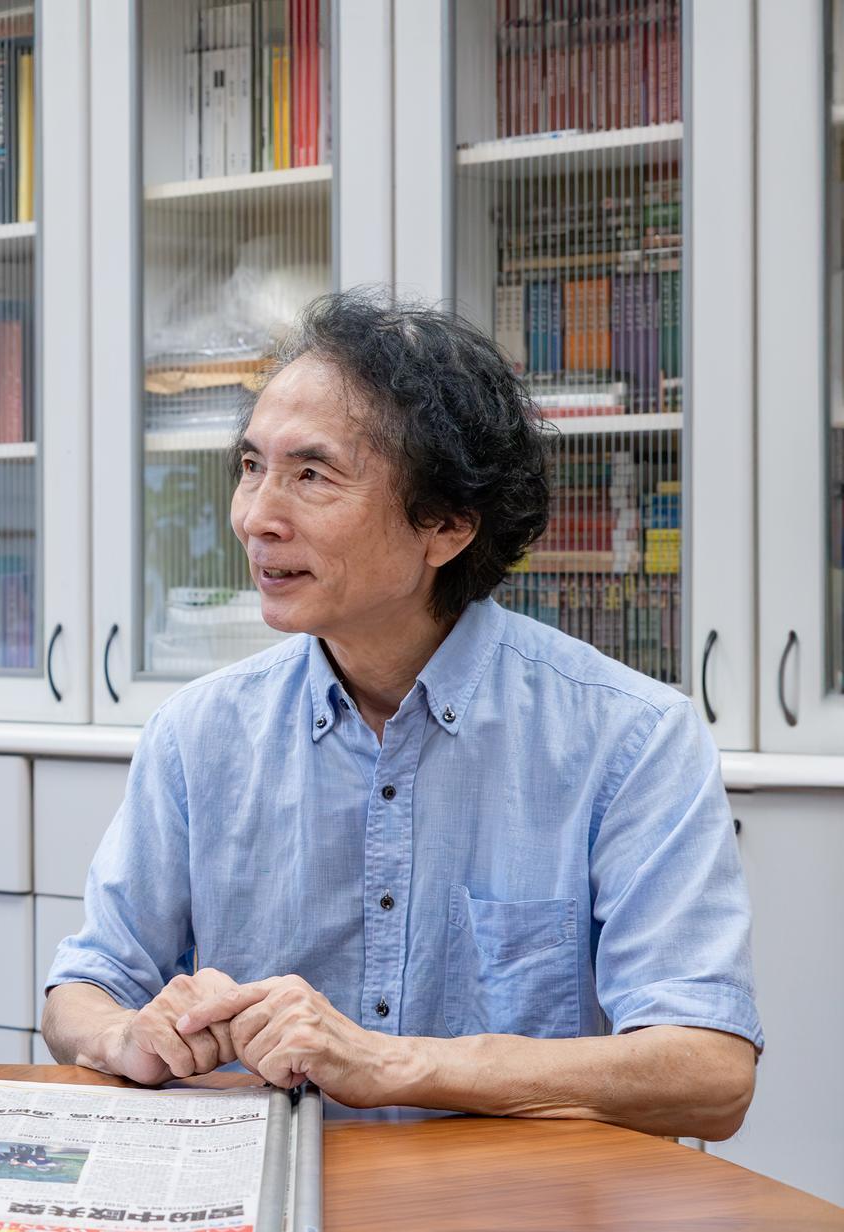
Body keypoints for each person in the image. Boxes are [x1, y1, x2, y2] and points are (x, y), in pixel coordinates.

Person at [42, 289, 760, 1141]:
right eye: (249, 467)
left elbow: (709, 1074)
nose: (255, 518)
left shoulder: (631, 740)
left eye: (310, 475)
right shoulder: (198, 734)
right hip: (263, 1211)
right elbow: (81, 989)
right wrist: (127, 1033)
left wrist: (389, 1063)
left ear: (446, 525)